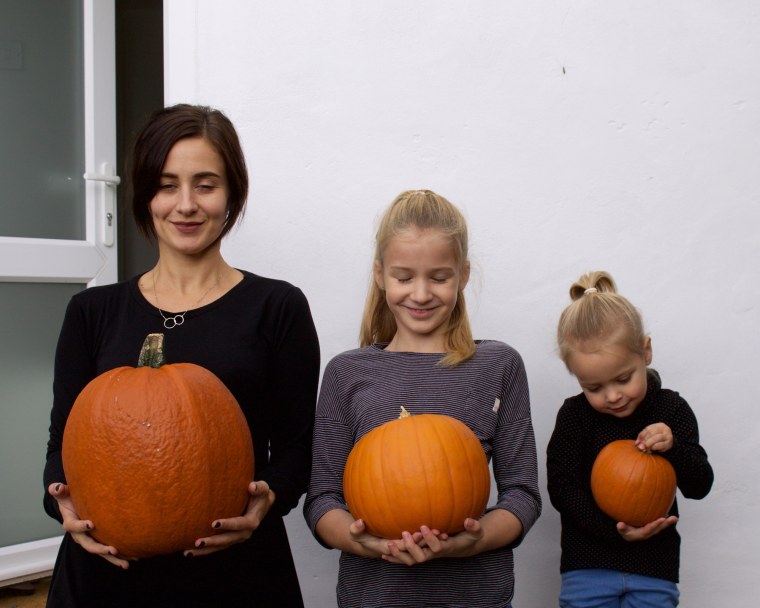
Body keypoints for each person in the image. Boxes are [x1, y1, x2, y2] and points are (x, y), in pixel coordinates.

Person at [43, 103, 320, 608]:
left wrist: (266, 502)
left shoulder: (277, 307)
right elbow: (61, 446)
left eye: (206, 184)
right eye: (168, 184)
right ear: (146, 193)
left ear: (232, 193)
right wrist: (59, 505)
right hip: (106, 577)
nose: (186, 204)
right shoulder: (91, 312)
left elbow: (299, 449)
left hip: (236, 576)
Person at [303, 189, 542, 608]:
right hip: (375, 597)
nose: (420, 294)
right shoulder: (346, 373)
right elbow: (322, 499)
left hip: (475, 597)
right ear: (379, 275)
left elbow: (522, 494)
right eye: (403, 277)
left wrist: (478, 538)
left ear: (463, 275)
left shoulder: (498, 366)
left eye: (438, 277)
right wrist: (367, 544)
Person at [546, 270, 714, 607]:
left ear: (645, 352)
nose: (612, 396)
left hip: (655, 569)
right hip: (587, 567)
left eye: (623, 379)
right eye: (593, 387)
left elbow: (700, 484)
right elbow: (562, 489)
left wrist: (674, 448)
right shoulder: (575, 416)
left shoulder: (672, 409)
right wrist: (616, 531)